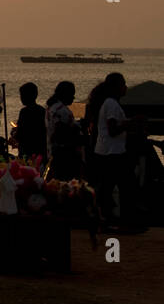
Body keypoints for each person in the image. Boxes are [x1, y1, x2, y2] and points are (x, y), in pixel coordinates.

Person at [92, 73, 142, 230]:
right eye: (123, 84)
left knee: (107, 188)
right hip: (113, 153)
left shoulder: (108, 103)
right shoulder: (112, 104)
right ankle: (126, 222)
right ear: (116, 87)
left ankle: (106, 219)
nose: (125, 87)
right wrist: (132, 123)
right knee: (127, 187)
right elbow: (112, 129)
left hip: (106, 152)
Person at [45, 81, 82, 181]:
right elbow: (61, 133)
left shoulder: (51, 108)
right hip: (64, 154)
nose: (73, 97)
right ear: (65, 94)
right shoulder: (63, 110)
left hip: (52, 151)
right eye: (72, 94)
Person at [13, 82, 47, 163]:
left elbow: (20, 134)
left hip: (26, 152)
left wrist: (14, 133)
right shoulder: (42, 110)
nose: (21, 98)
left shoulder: (24, 112)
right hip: (40, 151)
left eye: (22, 95)